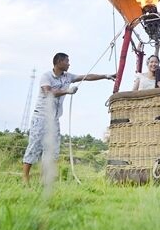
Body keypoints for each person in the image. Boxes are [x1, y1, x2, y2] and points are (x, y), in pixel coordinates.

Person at [22, 52, 114, 184]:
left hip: (54, 119)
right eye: (67, 61)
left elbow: (86, 77)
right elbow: (48, 92)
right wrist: (67, 91)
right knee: (34, 147)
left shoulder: (67, 77)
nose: (69, 64)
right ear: (59, 62)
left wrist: (105, 76)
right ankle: (25, 178)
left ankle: (44, 180)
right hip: (41, 117)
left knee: (52, 151)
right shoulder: (46, 76)